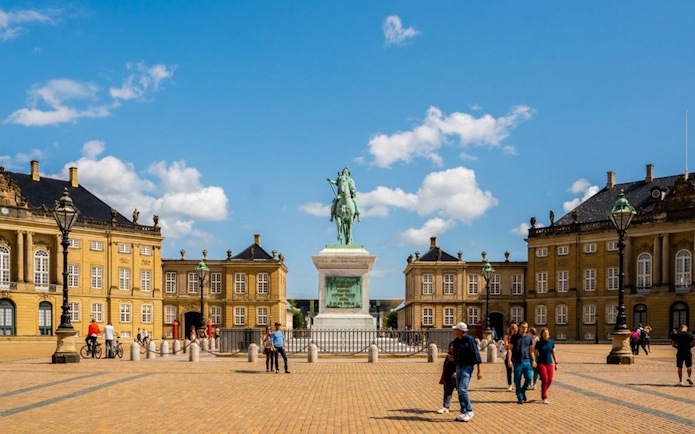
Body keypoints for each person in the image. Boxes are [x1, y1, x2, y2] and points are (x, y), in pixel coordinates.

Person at [451, 322, 482, 422]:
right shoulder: (456, 341)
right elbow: (456, 356)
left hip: (467, 367)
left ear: (460, 330)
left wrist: (479, 371)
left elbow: (476, 355)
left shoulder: (470, 340)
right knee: (459, 391)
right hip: (458, 367)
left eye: (456, 329)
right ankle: (463, 411)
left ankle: (469, 411)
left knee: (462, 388)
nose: (454, 330)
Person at [507, 321, 535, 404]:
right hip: (517, 361)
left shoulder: (529, 338)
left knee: (529, 377)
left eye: (526, 327)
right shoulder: (514, 337)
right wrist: (509, 360)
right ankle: (519, 396)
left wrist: (533, 360)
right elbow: (510, 349)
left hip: (527, 361)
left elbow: (531, 350)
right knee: (517, 380)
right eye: (523, 327)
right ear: (519, 328)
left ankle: (522, 391)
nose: (524, 329)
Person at [534, 328, 558, 404]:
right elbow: (535, 353)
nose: (546, 334)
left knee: (550, 380)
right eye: (544, 333)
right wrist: (533, 361)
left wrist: (556, 362)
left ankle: (543, 390)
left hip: (549, 363)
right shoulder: (539, 343)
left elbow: (553, 353)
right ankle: (544, 397)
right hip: (541, 363)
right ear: (542, 334)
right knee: (545, 379)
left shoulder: (551, 342)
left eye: (547, 333)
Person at [436, 341, 457, 414]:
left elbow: (461, 366)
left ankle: (465, 407)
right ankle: (445, 407)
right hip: (447, 377)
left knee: (462, 394)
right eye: (450, 346)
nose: (451, 347)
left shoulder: (459, 356)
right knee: (447, 393)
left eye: (453, 346)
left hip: (456, 378)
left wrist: (456, 372)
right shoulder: (448, 355)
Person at [503, 323, 518, 392]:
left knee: (517, 371)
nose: (515, 330)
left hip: (516, 356)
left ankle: (515, 383)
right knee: (509, 371)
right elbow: (506, 347)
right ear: (511, 330)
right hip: (508, 356)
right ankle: (510, 385)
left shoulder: (518, 337)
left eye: (516, 329)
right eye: (513, 329)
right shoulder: (507, 337)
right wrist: (511, 346)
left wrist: (510, 346)